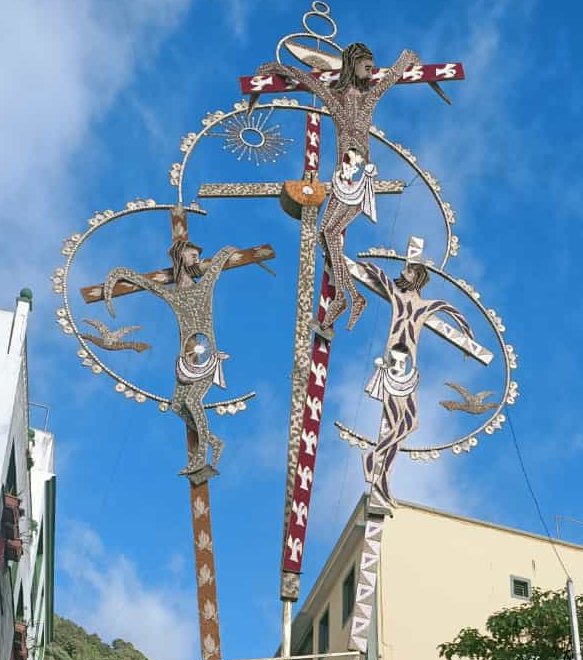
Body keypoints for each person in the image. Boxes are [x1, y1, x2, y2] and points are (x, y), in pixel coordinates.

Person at [252, 43, 421, 330]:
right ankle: (349, 296)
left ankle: (347, 297)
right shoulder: (335, 98)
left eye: (372, 65)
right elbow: (309, 81)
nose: (370, 69)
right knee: (326, 234)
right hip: (343, 180)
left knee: (327, 233)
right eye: (366, 64)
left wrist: (405, 59)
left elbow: (389, 79)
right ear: (351, 65)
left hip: (359, 181)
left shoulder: (369, 98)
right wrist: (280, 69)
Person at [103, 240, 236, 483]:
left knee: (192, 399)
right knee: (177, 405)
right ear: (179, 257)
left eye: (198, 255)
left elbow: (216, 267)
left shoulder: (202, 287)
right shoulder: (173, 295)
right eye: (192, 255)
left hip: (205, 355)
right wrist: (118, 276)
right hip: (186, 361)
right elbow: (146, 284)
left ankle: (201, 456)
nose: (196, 259)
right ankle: (215, 442)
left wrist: (226, 251)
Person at [358, 258, 473, 509]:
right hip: (395, 363)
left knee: (410, 422)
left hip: (408, 369)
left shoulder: (424, 307)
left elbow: (448, 308)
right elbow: (382, 279)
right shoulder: (400, 300)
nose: (403, 272)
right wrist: (365, 265)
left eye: (409, 270)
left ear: (417, 277)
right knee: (399, 422)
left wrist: (468, 337)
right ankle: (376, 462)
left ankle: (380, 470)